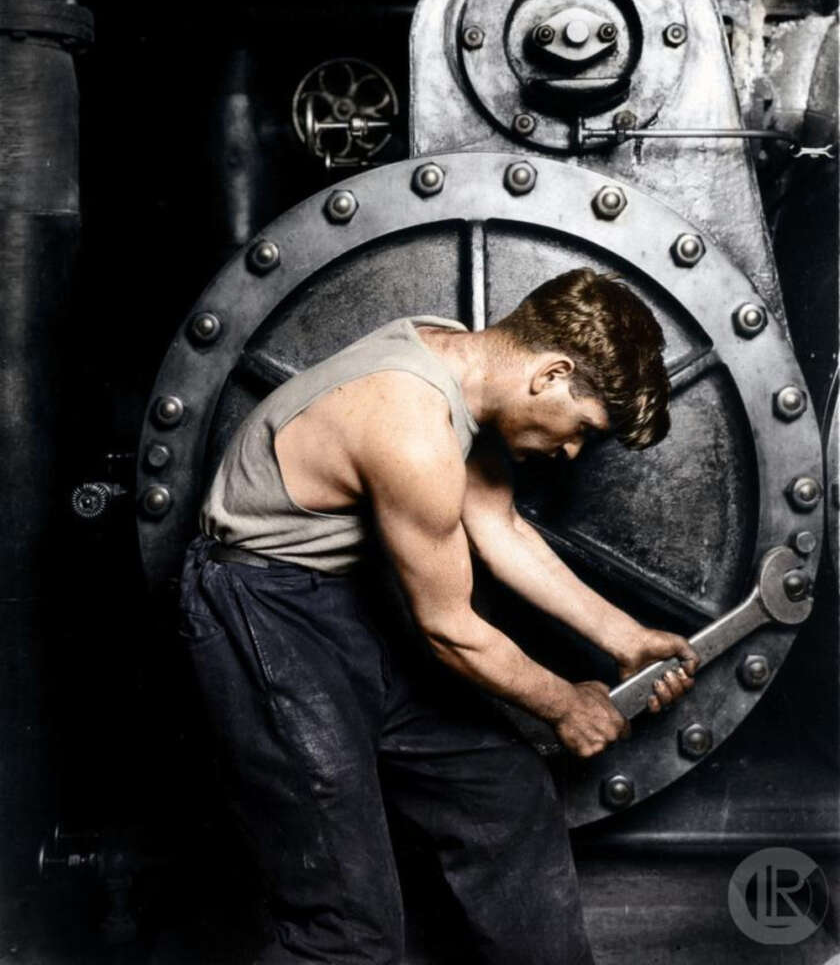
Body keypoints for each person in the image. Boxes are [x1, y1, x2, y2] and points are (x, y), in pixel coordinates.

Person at [179, 267, 699, 965]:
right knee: (348, 925)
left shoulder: (457, 359)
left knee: (503, 795)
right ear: (551, 374)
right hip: (262, 612)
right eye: (583, 427)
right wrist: (564, 704)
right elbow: (450, 630)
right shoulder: (410, 424)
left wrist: (625, 637)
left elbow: (499, 526)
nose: (573, 450)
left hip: (344, 600)